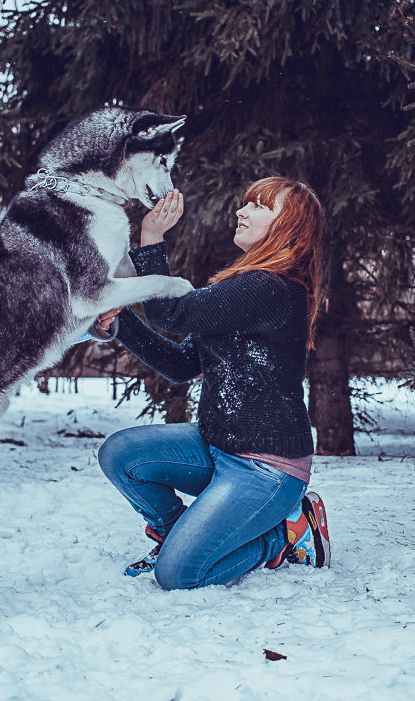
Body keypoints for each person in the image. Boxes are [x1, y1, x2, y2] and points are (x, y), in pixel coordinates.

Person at [93, 176, 330, 590]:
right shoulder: (242, 287)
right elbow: (182, 364)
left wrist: (150, 239)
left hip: (265, 471)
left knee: (179, 574)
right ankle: (172, 532)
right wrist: (121, 322)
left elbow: (171, 315)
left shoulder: (271, 289)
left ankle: (287, 533)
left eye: (258, 206)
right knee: (121, 453)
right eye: (245, 202)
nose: (241, 211)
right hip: (217, 446)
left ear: (286, 227)